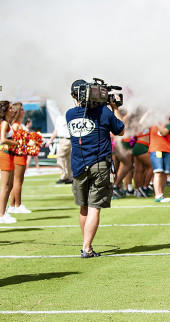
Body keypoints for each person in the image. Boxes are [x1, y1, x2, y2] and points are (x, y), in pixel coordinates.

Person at [66, 79, 125, 258]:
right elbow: (120, 130)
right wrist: (115, 108)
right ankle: (87, 247)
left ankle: (86, 243)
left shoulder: (69, 114)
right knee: (94, 207)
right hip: (99, 164)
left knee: (83, 207)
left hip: (78, 165)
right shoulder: (103, 112)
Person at [0, 101, 19, 223]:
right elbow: (3, 140)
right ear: (5, 110)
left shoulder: (7, 123)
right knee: (5, 187)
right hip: (5, 155)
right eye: (10, 108)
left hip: (10, 155)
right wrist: (17, 143)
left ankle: (4, 213)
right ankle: (1, 215)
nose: (12, 109)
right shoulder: (4, 123)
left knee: (9, 187)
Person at [8, 102, 32, 214]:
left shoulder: (19, 124)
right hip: (18, 155)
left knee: (18, 181)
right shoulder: (15, 125)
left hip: (22, 154)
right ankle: (18, 205)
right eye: (21, 109)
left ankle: (12, 205)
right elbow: (17, 141)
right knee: (18, 181)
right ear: (17, 112)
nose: (23, 111)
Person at [46, 111, 73, 184]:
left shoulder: (65, 115)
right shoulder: (61, 116)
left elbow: (56, 130)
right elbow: (56, 130)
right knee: (68, 158)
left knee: (60, 157)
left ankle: (64, 176)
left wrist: (50, 140)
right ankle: (70, 177)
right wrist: (51, 140)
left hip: (65, 139)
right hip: (66, 139)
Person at [149, 122, 170, 202]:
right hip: (156, 149)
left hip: (167, 150)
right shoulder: (151, 122)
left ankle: (161, 194)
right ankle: (158, 195)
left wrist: (157, 122)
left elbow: (164, 132)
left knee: (165, 173)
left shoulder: (167, 123)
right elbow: (141, 123)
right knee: (158, 172)